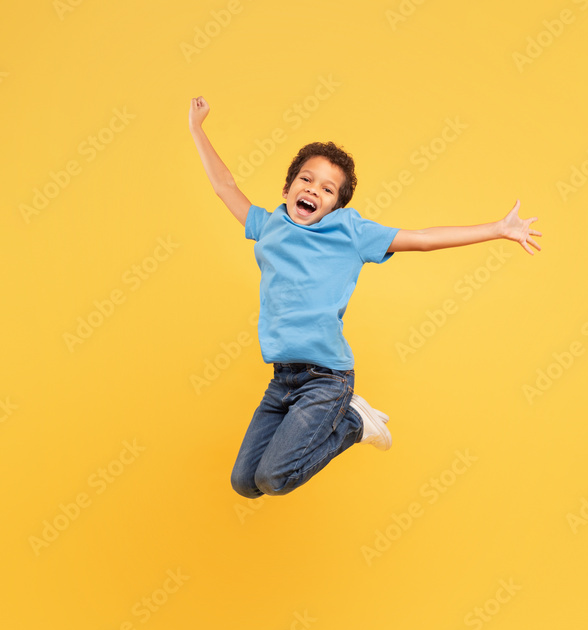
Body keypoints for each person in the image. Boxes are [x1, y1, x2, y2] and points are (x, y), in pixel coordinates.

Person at [188, 95, 543, 498]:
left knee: (273, 479)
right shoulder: (268, 225)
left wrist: (497, 228)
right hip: (282, 379)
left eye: (327, 189)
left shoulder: (349, 232)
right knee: (244, 484)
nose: (313, 190)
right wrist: (197, 129)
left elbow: (423, 239)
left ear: (336, 205)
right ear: (287, 188)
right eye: (306, 179)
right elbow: (224, 185)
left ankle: (354, 422)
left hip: (326, 379)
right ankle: (345, 419)